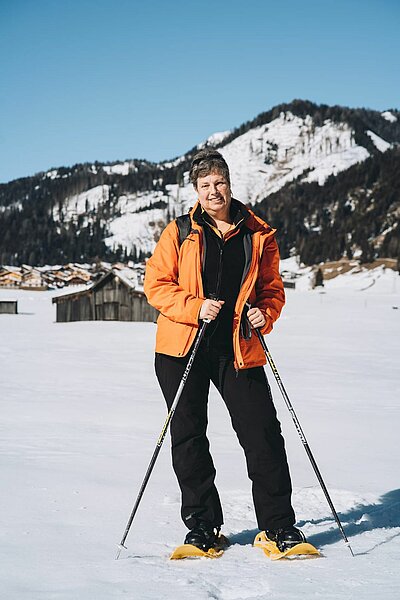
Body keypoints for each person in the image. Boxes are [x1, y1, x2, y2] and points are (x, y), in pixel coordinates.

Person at [144, 149, 305, 552]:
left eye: (219, 183)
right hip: (182, 348)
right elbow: (157, 285)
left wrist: (264, 316)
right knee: (189, 436)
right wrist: (196, 307)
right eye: (204, 185)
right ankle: (203, 527)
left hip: (238, 347)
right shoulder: (179, 231)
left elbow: (271, 290)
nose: (213, 191)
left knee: (263, 432)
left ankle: (278, 527)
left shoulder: (257, 232)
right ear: (195, 191)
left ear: (230, 183)